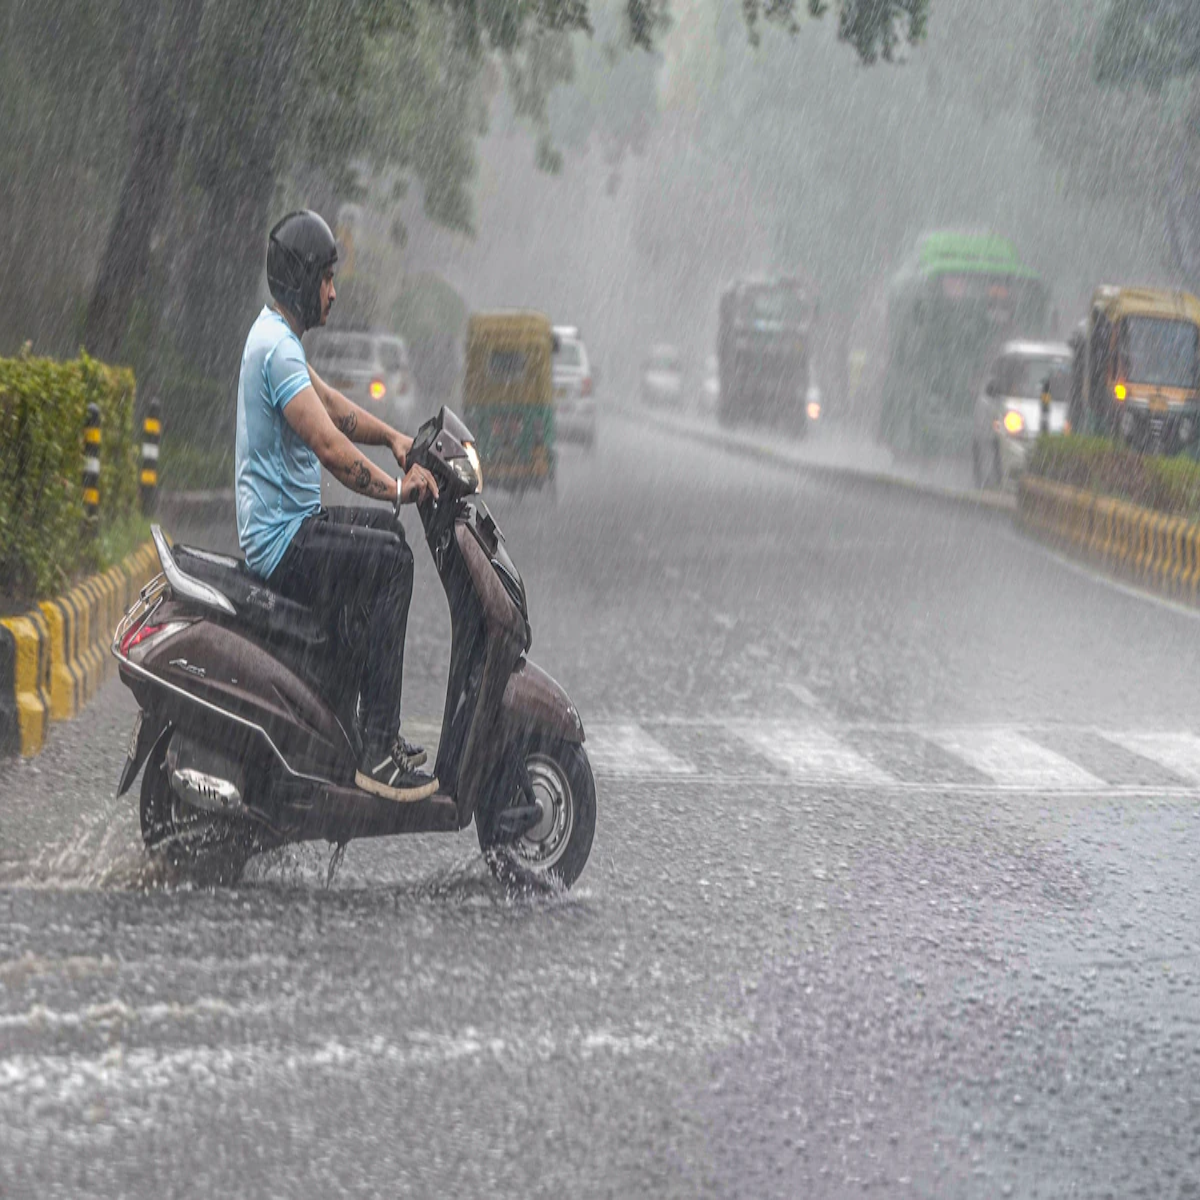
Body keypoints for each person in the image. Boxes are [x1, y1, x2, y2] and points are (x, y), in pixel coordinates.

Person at [235, 209, 440, 803]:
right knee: (392, 564)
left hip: (293, 530)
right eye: (326, 278)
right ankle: (377, 748)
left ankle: (350, 727)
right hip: (284, 543)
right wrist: (398, 489)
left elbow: (334, 408)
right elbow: (328, 445)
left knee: (389, 540)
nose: (333, 292)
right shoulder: (276, 351)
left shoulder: (278, 340)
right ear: (302, 279)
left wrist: (395, 438)